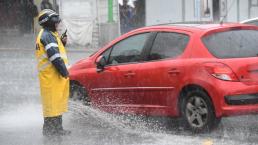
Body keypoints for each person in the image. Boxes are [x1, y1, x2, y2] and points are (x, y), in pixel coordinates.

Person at [35, 9, 70, 136]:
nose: (57, 25)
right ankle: (51, 133)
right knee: (52, 107)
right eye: (55, 23)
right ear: (49, 22)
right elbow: (55, 57)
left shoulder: (47, 34)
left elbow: (54, 50)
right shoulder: (47, 36)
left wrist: (62, 42)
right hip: (51, 78)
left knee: (55, 105)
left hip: (52, 78)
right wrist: (64, 72)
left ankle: (57, 130)